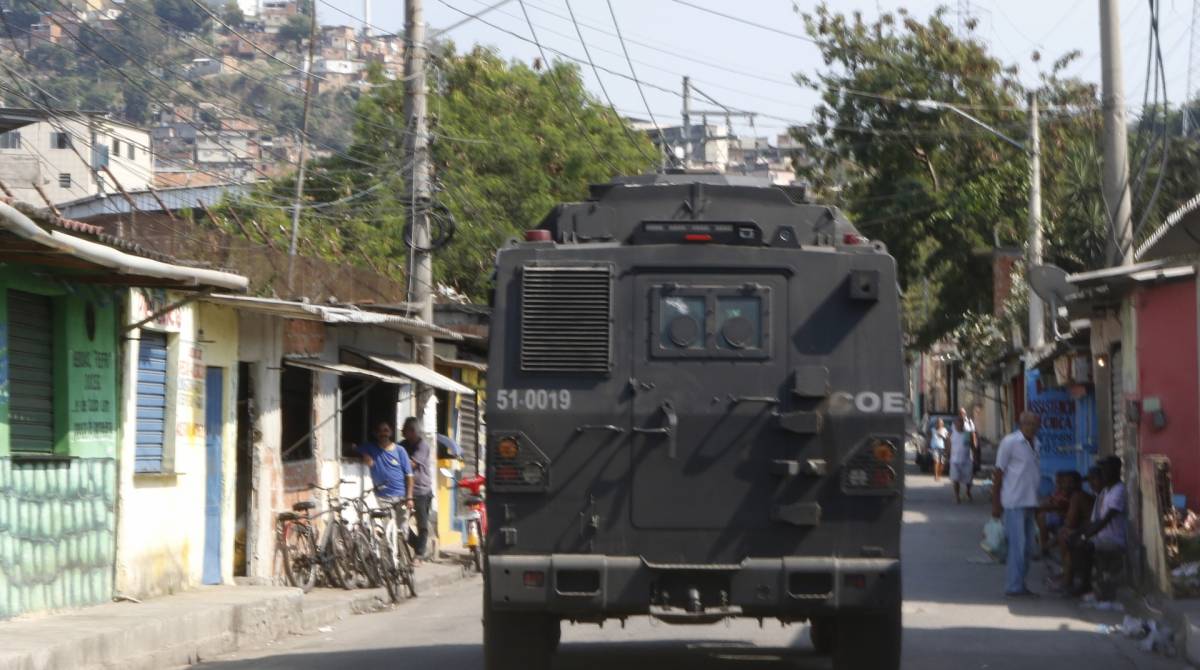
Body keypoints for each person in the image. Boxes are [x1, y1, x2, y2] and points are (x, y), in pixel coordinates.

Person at [993, 411, 1042, 598]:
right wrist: (995, 504)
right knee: (1017, 545)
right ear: (1020, 424)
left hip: (1030, 501)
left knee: (1029, 546)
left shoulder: (1036, 444)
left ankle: (1020, 582)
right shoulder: (1010, 442)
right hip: (1013, 502)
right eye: (1028, 423)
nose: (1031, 427)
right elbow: (998, 473)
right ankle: (1014, 586)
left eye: (1034, 424)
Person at [1069, 457, 1128, 598]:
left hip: (1114, 539)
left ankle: (1086, 584)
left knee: (1084, 546)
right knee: (1073, 540)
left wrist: (1085, 536)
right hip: (1101, 536)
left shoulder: (1119, 491)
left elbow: (1105, 520)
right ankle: (1077, 581)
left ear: (1113, 471)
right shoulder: (1106, 491)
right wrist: (1079, 533)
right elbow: (1095, 521)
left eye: (1105, 471)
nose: (1103, 474)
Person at [359, 421, 414, 529]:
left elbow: (410, 476)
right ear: (375, 434)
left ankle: (402, 545)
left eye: (386, 430)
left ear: (391, 433)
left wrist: (409, 497)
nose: (383, 433)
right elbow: (351, 447)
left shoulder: (400, 450)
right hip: (383, 498)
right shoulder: (371, 448)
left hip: (401, 498)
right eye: (379, 431)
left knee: (402, 531)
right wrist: (364, 454)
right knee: (387, 531)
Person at [400, 416, 435, 563]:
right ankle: (419, 546)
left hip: (421, 491)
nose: (403, 433)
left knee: (422, 524)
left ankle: (419, 555)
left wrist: (397, 459)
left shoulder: (423, 446)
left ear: (413, 431)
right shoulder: (402, 445)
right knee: (401, 525)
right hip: (405, 490)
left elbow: (411, 465)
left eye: (406, 431)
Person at [948, 408, 976, 503]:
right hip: (954, 460)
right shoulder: (953, 430)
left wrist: (975, 454)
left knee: (968, 480)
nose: (960, 423)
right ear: (955, 423)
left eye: (962, 422)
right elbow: (948, 441)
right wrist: (947, 452)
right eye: (958, 422)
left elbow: (972, 443)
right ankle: (957, 496)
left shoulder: (968, 431)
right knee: (955, 479)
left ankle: (968, 491)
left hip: (967, 459)